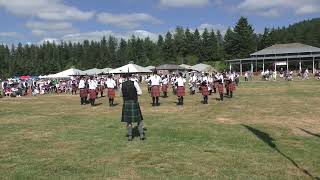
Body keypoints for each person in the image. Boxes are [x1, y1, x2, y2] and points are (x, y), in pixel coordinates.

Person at [121, 73, 144, 141]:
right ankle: (141, 134)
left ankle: (130, 136)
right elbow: (140, 93)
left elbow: (120, 94)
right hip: (134, 102)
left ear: (125, 77)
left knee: (129, 121)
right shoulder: (135, 83)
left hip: (126, 102)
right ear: (131, 76)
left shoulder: (122, 84)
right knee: (139, 120)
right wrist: (134, 94)